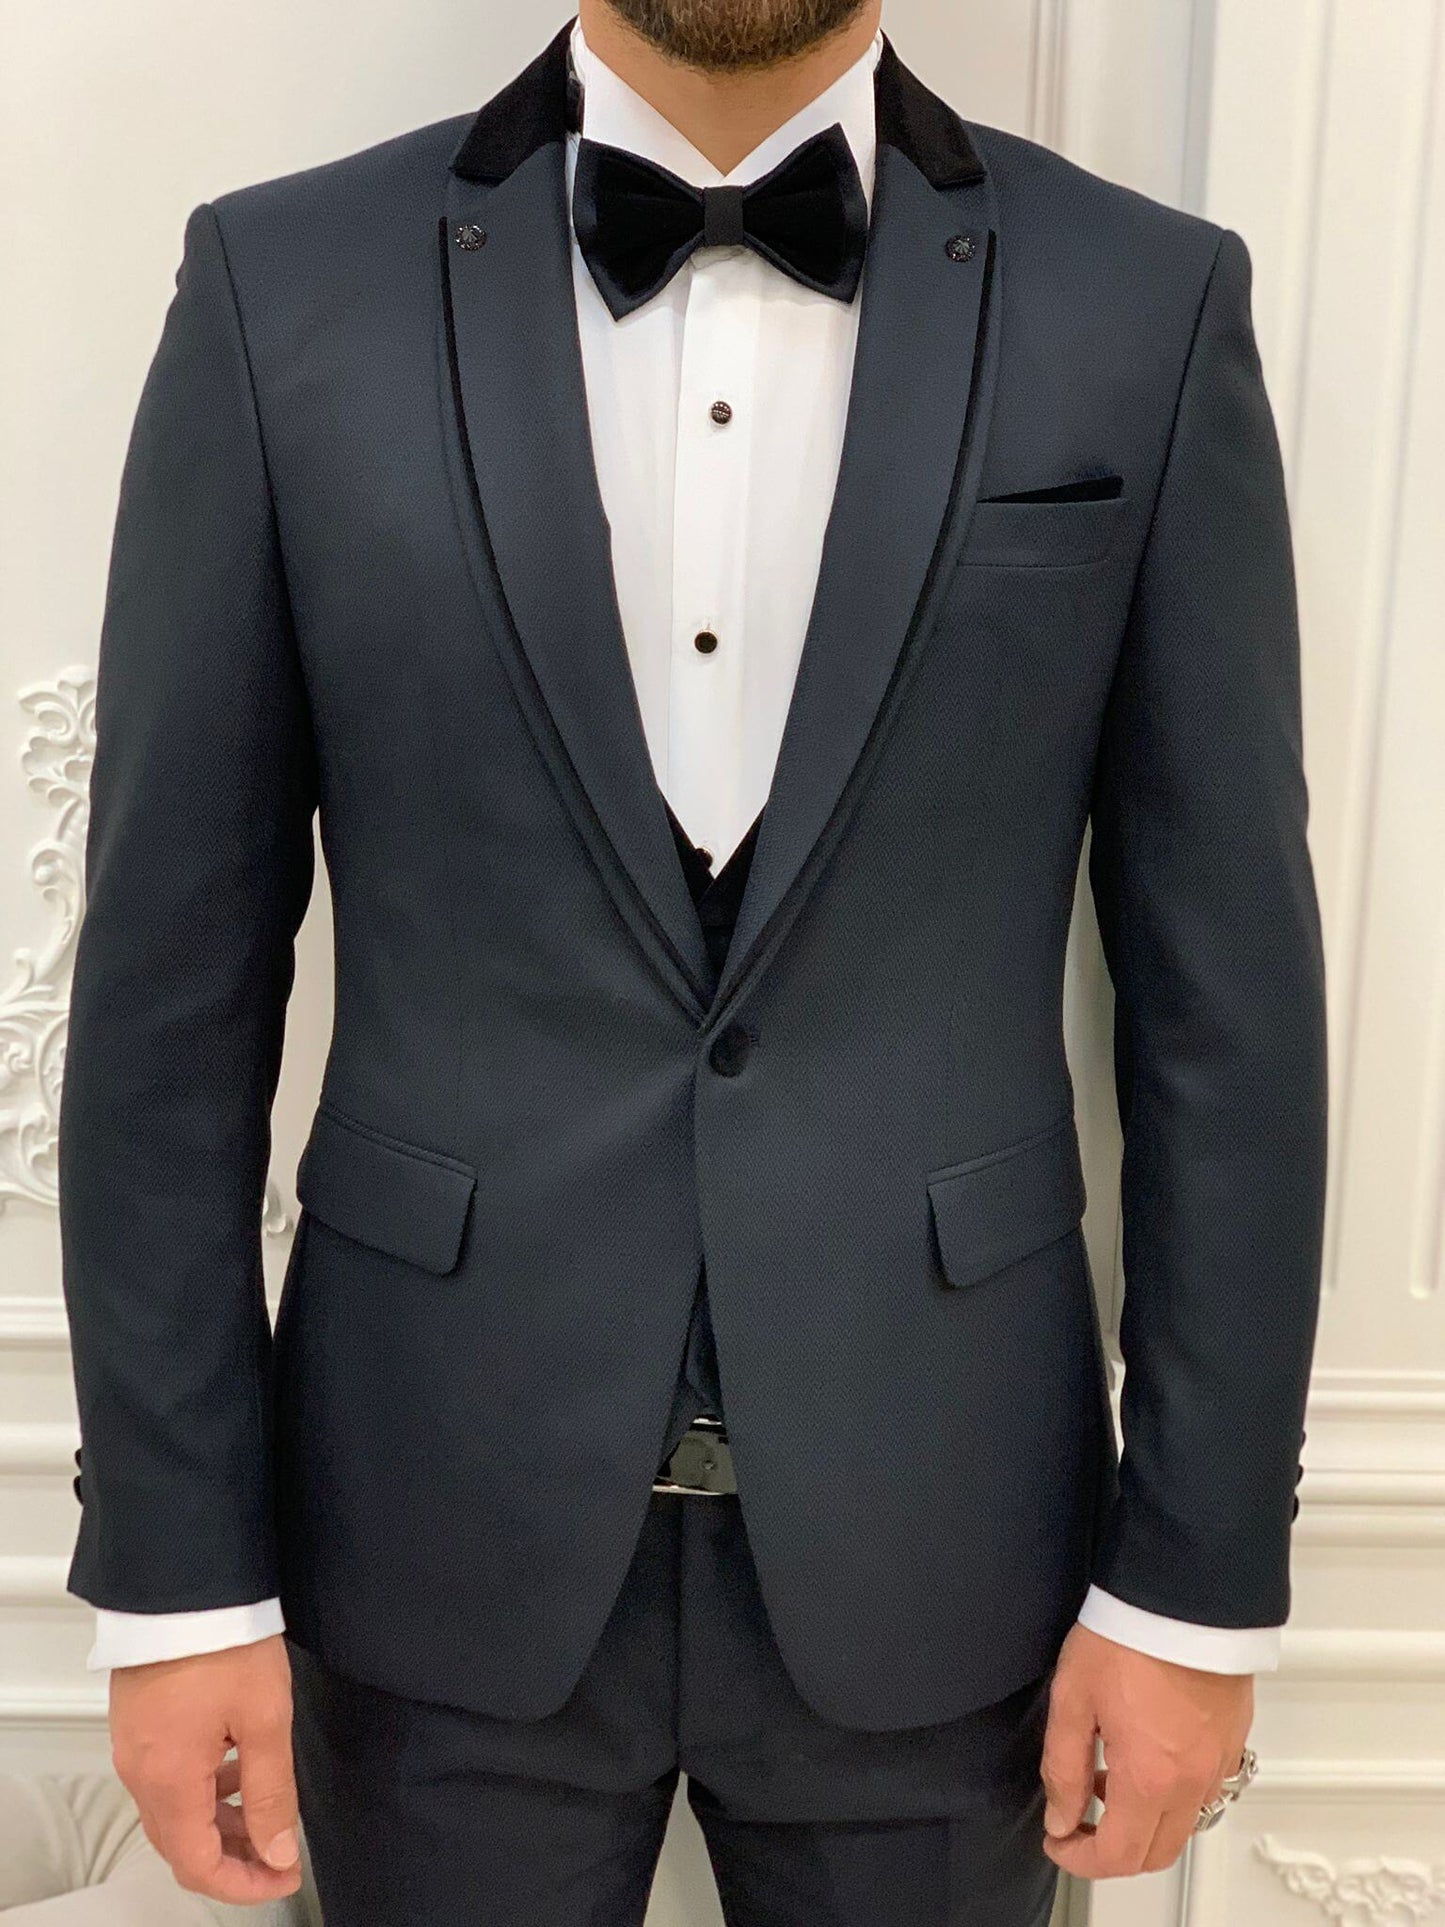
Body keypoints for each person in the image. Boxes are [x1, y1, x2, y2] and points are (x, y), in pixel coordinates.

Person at [57, 2, 1328, 1921]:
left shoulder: (1141, 304)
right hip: (420, 1535)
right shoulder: (278, 287)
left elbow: (1226, 1007)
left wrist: (1193, 1587)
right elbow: (170, 989)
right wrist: (177, 1582)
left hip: (951, 1550)